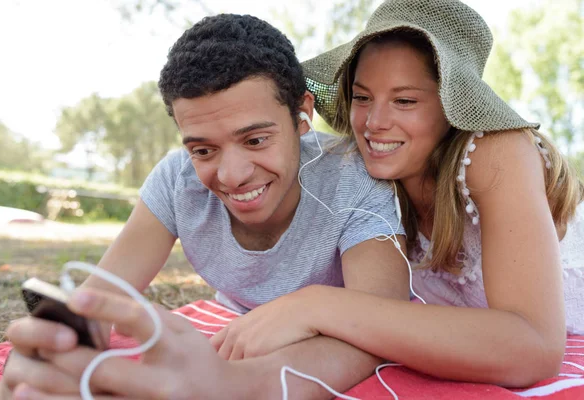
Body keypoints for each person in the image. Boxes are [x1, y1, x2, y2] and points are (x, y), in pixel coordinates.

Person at [0, 13, 409, 400]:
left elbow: (379, 330)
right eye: (204, 149)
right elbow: (99, 302)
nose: (231, 175)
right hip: (235, 331)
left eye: (255, 140)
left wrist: (235, 386)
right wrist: (59, 359)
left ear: (302, 114)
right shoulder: (177, 180)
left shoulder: (355, 177)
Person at [206, 0, 584, 388]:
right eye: (362, 97)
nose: (373, 123)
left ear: (453, 107)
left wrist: (316, 306)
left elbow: (535, 348)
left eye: (404, 100)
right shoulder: (365, 179)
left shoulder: (495, 154)